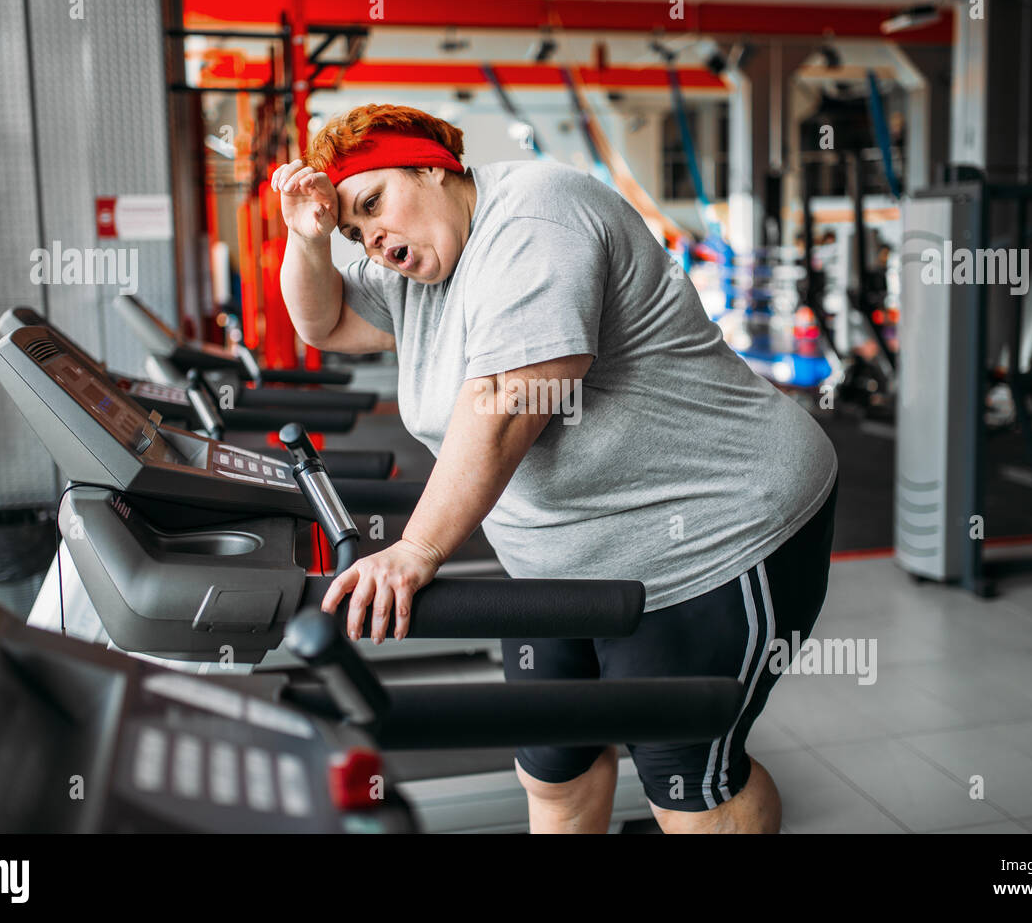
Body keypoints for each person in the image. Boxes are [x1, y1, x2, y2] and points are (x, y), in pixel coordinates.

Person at [274, 104, 839, 834]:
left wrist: (417, 549)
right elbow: (321, 323)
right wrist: (309, 241)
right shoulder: (418, 279)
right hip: (560, 567)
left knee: (691, 788)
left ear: (433, 167)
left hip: (714, 535)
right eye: (355, 229)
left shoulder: (535, 215)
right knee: (554, 771)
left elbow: (510, 398)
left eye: (374, 205)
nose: (372, 240)